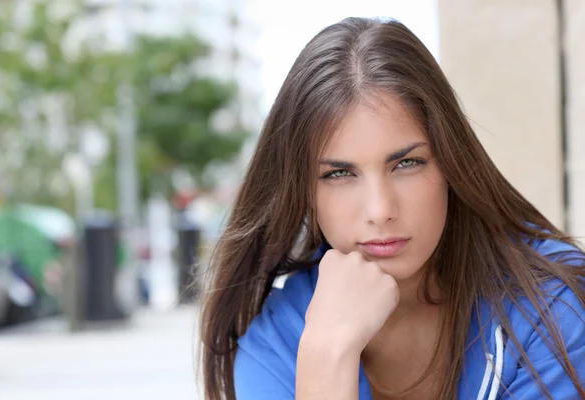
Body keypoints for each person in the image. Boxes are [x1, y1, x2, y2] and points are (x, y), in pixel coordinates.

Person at [198, 17, 585, 400]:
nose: (380, 210)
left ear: (452, 163)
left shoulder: (549, 307)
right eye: (338, 173)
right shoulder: (280, 343)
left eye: (407, 164)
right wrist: (328, 355)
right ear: (302, 191)